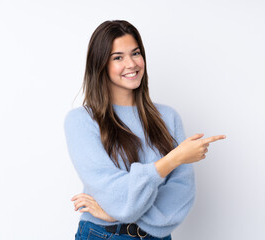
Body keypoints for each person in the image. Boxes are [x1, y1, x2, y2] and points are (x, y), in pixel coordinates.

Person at [64, 20, 226, 240]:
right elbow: (112, 191)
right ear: (100, 64)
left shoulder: (168, 117)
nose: (131, 64)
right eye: (118, 57)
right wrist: (173, 159)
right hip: (103, 235)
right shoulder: (82, 121)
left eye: (136, 53)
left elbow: (182, 194)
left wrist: (117, 213)